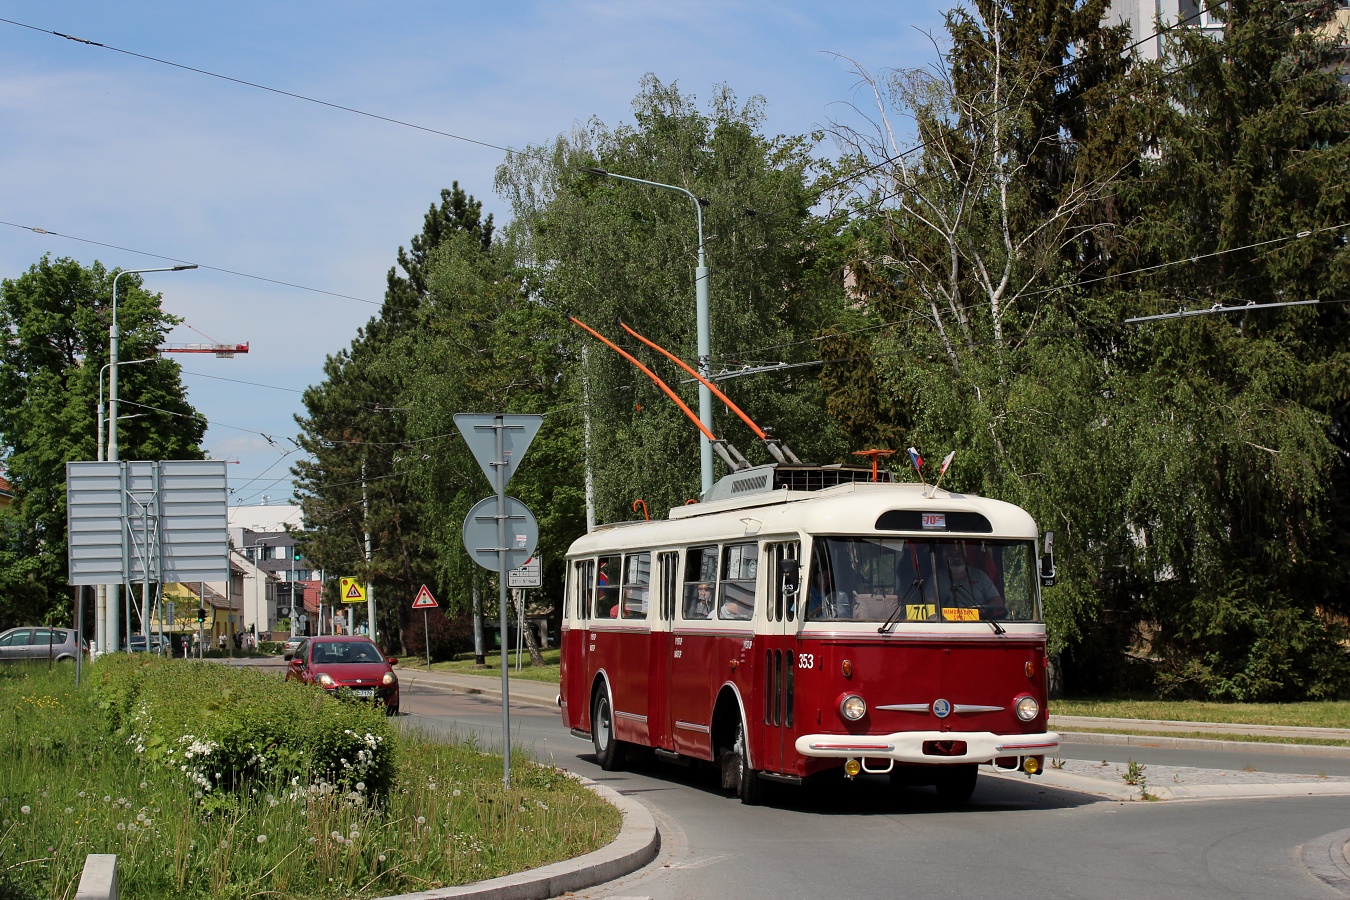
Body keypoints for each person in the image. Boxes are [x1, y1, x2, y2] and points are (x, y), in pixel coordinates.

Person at [935, 544, 1002, 610]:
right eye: (951, 555)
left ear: (965, 555)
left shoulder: (979, 576)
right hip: (947, 620)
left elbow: (997, 601)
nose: (956, 558)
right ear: (944, 558)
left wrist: (983, 611)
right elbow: (929, 601)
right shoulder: (937, 577)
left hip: (980, 619)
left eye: (959, 554)